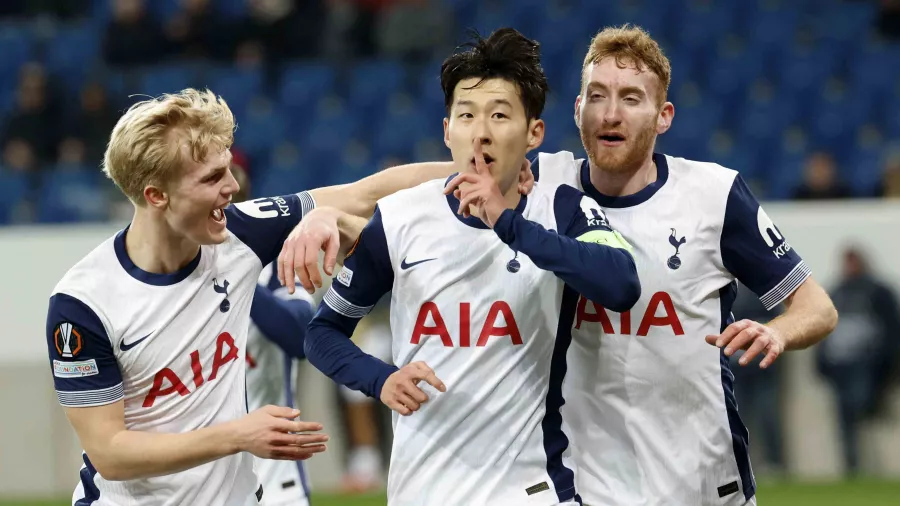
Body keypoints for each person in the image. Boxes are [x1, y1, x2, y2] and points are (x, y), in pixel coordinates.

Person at [290, 25, 840, 506]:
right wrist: (328, 210)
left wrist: (777, 333)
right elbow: (438, 176)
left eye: (630, 98)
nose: (610, 112)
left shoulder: (714, 196)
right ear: (576, 112)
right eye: (596, 96)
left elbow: (816, 307)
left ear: (663, 115)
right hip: (586, 481)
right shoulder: (549, 183)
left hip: (700, 474)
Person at [45, 88, 495, 505]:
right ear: (156, 195)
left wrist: (487, 172)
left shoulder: (239, 234)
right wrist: (238, 435)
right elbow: (111, 453)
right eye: (212, 178)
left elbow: (367, 194)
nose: (233, 188)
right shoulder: (83, 304)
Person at [303, 28, 640, 506]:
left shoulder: (562, 208)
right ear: (447, 131)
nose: (480, 131)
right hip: (421, 491)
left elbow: (622, 282)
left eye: (500, 115)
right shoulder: (401, 218)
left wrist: (506, 223)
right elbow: (322, 334)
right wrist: (381, 380)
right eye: (465, 115)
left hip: (533, 489)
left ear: (533, 133)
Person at [231, 163, 316, 505]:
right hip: (202, 473)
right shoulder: (179, 282)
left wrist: (234, 274)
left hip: (273, 476)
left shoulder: (277, 269)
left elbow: (299, 336)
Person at [817, 246, 900, 476]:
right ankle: (852, 467)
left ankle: (875, 466)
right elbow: (823, 330)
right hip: (839, 368)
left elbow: (892, 331)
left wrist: (887, 367)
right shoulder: (836, 292)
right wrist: (822, 365)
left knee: (866, 412)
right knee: (845, 419)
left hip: (868, 367)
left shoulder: (879, 291)